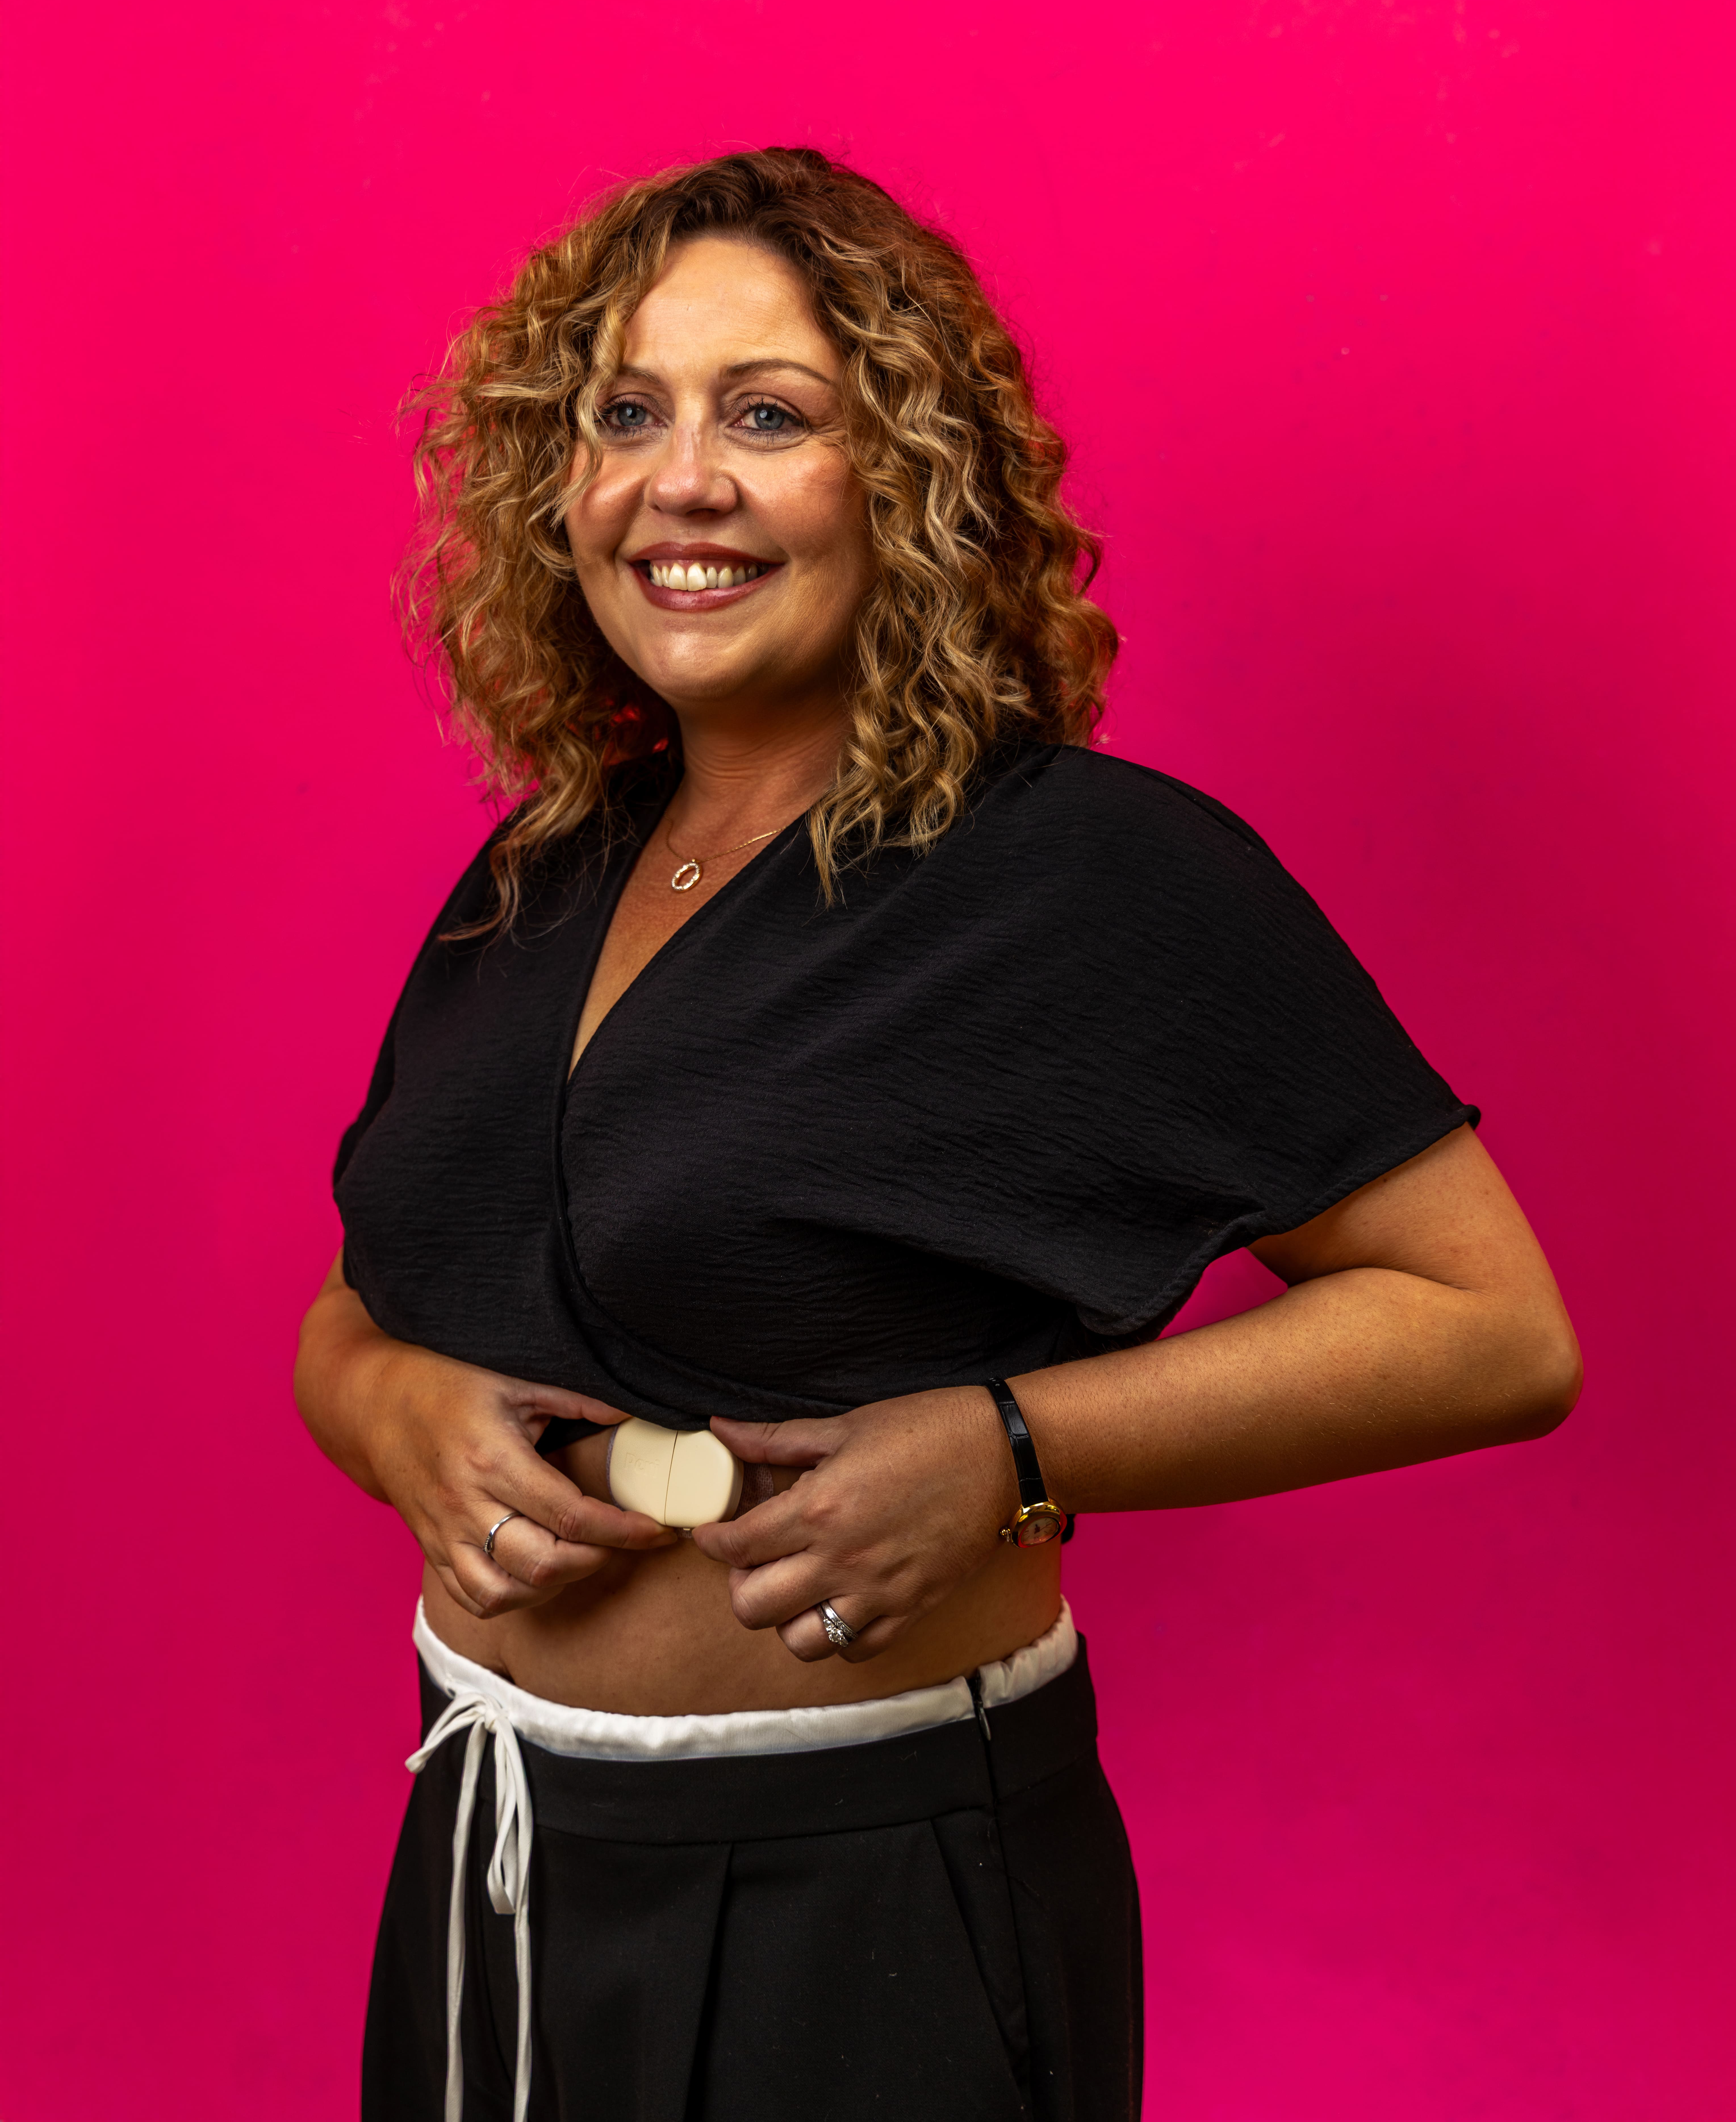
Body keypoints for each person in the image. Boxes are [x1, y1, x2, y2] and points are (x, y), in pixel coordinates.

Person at [294, 146, 1581, 2122]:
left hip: (874, 1888)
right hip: (495, 1848)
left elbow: (1492, 1329)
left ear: (905, 477)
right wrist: (390, 1411)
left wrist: (1010, 1448)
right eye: (623, 415)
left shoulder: (1086, 874)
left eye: (767, 416)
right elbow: (362, 1304)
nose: (679, 481)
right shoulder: (540, 874)